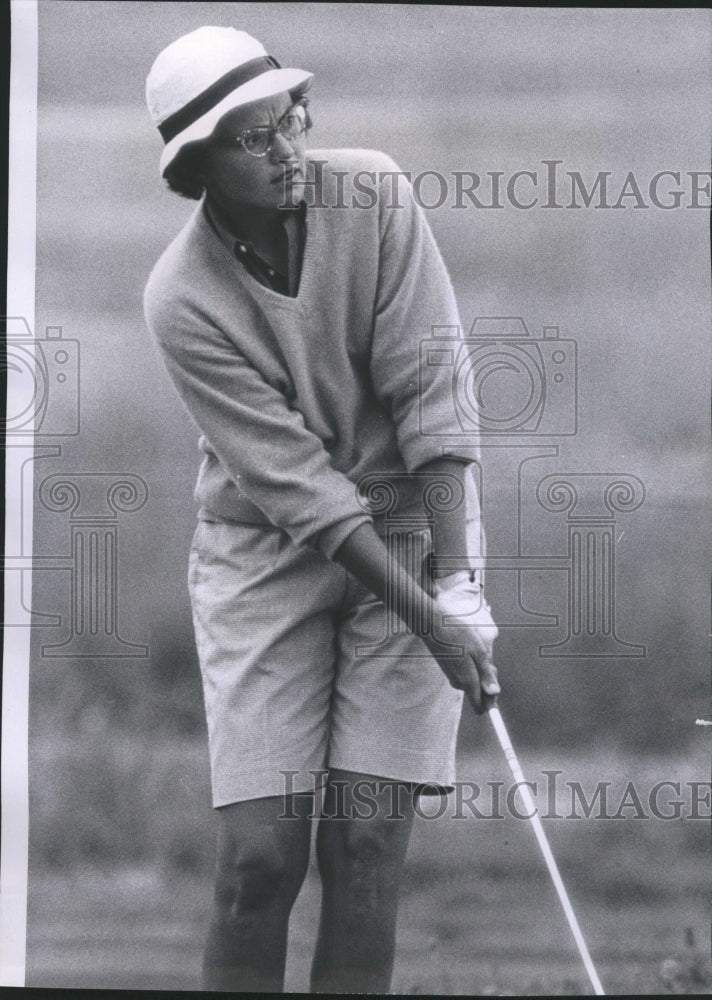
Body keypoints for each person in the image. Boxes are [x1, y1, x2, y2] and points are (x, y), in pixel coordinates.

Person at [143, 26, 499, 994]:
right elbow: (299, 489)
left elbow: (433, 392)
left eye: (290, 118)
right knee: (259, 862)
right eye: (253, 139)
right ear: (195, 166)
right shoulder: (180, 297)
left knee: (367, 846)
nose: (288, 147)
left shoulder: (374, 193)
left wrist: (454, 585)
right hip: (265, 559)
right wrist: (433, 620)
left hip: (417, 539)